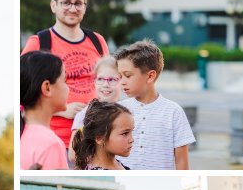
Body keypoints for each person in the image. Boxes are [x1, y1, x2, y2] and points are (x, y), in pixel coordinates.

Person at [21, 0, 110, 145]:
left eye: (78, 3)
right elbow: (21, 95)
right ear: (53, 6)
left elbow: (110, 82)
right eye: (66, 3)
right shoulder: (39, 43)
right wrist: (62, 110)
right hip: (55, 140)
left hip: (94, 140)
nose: (73, 8)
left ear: (85, 7)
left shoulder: (97, 41)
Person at [115, 40, 196, 170]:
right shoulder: (118, 110)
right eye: (120, 76)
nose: (122, 82)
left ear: (150, 76)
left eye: (128, 76)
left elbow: (182, 162)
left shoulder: (173, 111)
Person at [21, 51, 70, 170]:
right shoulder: (52, 144)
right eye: (64, 81)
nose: (68, 88)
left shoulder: (22, 134)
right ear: (47, 87)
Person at [71, 57, 124, 145]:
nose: (105, 84)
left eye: (112, 79)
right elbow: (74, 150)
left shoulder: (129, 111)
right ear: (94, 82)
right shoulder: (84, 115)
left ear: (123, 82)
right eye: (100, 79)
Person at [72, 101, 134, 170]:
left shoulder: (118, 165)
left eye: (131, 132)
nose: (132, 140)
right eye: (125, 133)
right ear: (100, 138)